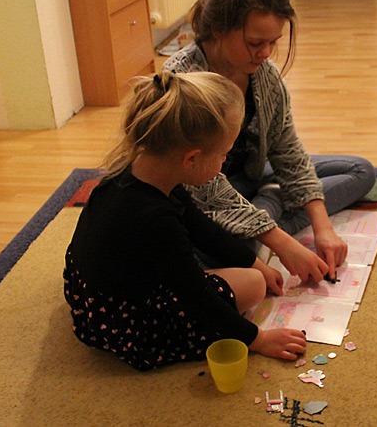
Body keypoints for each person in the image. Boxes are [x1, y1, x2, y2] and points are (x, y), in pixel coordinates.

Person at [63, 72, 306, 371]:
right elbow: (195, 295)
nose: (223, 165)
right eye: (223, 155)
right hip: (128, 327)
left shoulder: (138, 173)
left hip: (94, 299)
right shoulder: (156, 220)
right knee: (253, 286)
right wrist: (258, 339)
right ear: (191, 159)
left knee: (255, 276)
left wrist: (257, 264)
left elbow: (202, 229)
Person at [163, 0, 376, 282]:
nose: (265, 53)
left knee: (360, 171)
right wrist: (284, 243)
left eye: (273, 42)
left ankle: (264, 210)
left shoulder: (265, 75)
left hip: (253, 173)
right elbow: (203, 190)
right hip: (201, 195)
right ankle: (267, 210)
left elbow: (288, 151)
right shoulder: (181, 81)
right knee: (221, 244)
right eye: (255, 42)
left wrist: (323, 228)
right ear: (219, 29)